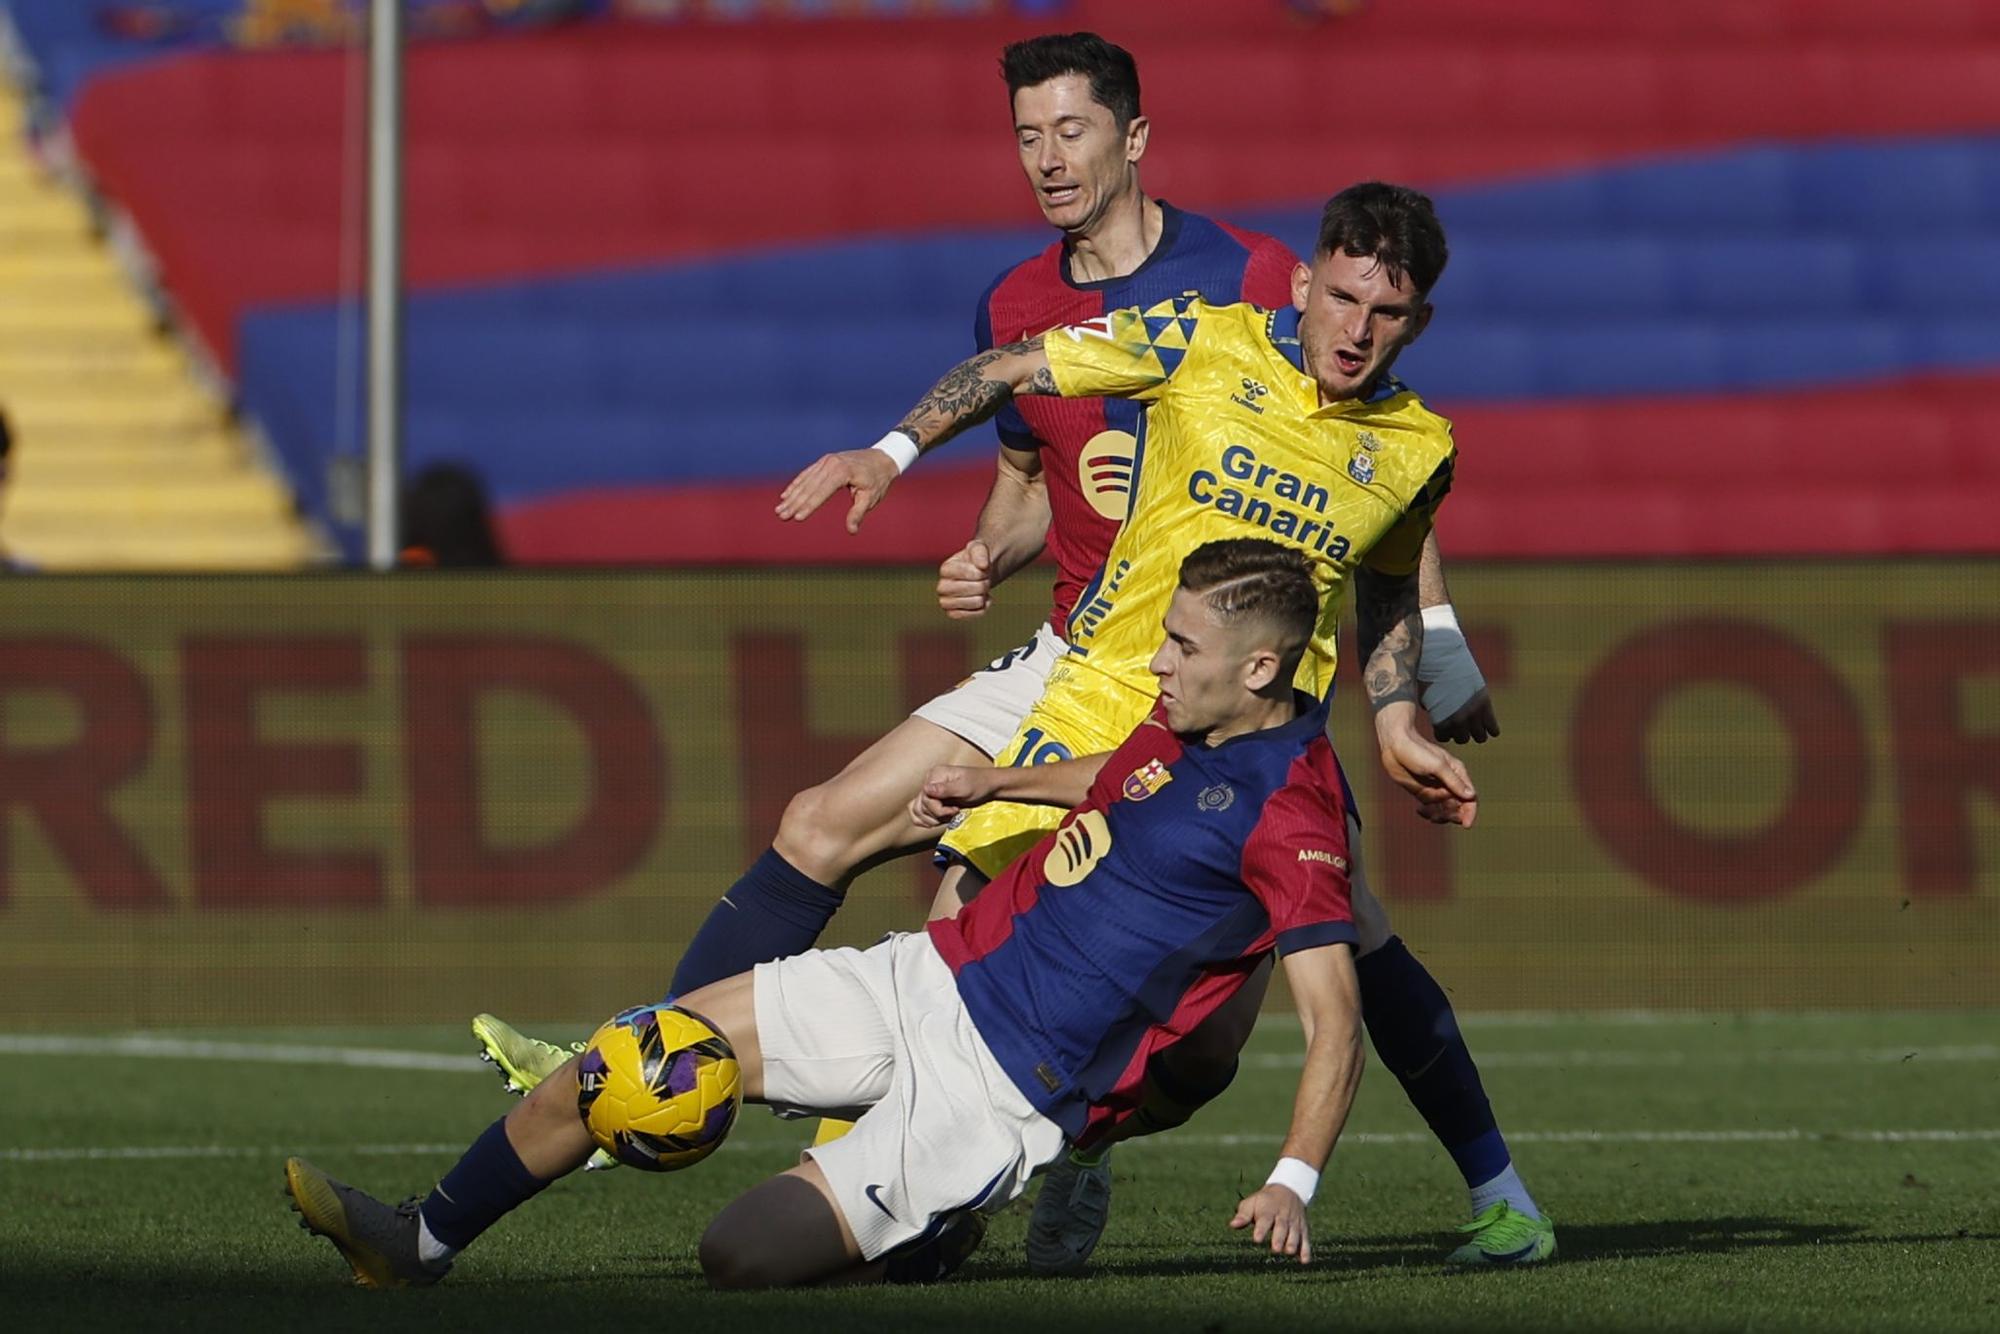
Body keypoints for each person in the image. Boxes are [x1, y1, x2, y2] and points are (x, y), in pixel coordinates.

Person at [474, 41, 1536, 1268]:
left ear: (1131, 139)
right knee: (861, 849)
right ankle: (647, 1076)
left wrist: (1415, 684)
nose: (1048, 158)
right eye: (1028, 136)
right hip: (1079, 656)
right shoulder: (1023, 300)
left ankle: (1459, 1182)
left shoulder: (1241, 282)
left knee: (1273, 992)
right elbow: (1027, 481)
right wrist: (968, 527)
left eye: (1070, 131)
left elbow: (1383, 524)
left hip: (1229, 708)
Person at [775, 180, 1554, 1266]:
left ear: (1416, 322)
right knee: (955, 932)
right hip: (1108, 694)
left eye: (1384, 314)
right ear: (1302, 280)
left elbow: (1382, 584)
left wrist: (1393, 714)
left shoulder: (1415, 444)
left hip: (1255, 754)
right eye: (1339, 298)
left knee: (1219, 1045)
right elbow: (1011, 366)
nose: (1355, 330)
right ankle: (861, 1204)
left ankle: (1492, 1193)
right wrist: (891, 452)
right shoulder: (1202, 337)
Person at [286, 541, 1371, 1288]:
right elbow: (1115, 776)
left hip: (1000, 1093)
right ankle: (416, 1238)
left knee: (736, 1255)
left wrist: (1292, 1177)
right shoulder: (1182, 718)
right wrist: (997, 786)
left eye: (1182, 645)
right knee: (638, 1048)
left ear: (1261, 667)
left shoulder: (1292, 808)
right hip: (926, 975)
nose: (1157, 659)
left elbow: (1334, 1020)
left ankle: (923, 1228)